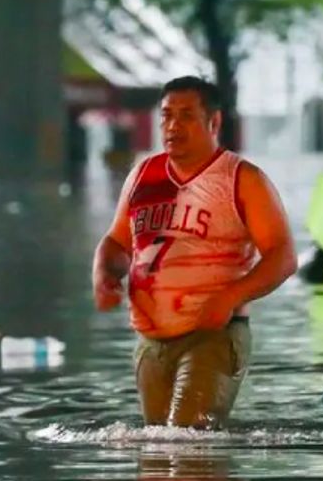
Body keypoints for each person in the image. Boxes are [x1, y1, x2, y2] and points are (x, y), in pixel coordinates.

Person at [91, 76, 296, 429]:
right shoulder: (143, 175)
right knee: (158, 457)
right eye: (166, 115)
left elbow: (283, 257)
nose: (173, 125)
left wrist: (231, 296)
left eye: (186, 115)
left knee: (188, 443)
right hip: (151, 341)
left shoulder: (241, 179)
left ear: (213, 122)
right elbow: (118, 242)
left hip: (212, 335)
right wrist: (104, 274)